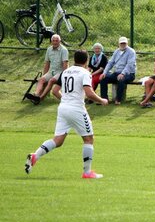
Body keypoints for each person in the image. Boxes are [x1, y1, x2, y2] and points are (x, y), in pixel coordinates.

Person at [24, 50, 108, 179]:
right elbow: (89, 93)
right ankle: (87, 173)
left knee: (58, 140)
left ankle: (35, 155)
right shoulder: (85, 73)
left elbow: (55, 91)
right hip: (76, 109)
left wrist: (66, 100)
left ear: (74, 59)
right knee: (88, 139)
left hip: (63, 108)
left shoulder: (66, 72)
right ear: (86, 61)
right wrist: (102, 100)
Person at [26, 34, 69, 105]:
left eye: (56, 41)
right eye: (53, 41)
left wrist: (64, 76)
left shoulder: (64, 50)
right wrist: (44, 75)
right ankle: (36, 95)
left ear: (60, 41)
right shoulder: (49, 49)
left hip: (60, 72)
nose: (55, 42)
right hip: (51, 71)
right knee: (41, 80)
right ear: (51, 41)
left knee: (51, 80)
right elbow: (47, 64)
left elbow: (65, 64)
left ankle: (41, 98)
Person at [99, 36, 136, 105]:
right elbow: (110, 63)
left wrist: (123, 73)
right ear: (119, 44)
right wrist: (104, 73)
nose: (123, 45)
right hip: (117, 72)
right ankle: (104, 99)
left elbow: (129, 65)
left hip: (129, 74)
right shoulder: (116, 51)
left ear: (127, 43)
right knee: (103, 78)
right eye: (121, 43)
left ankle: (118, 100)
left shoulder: (131, 52)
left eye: (124, 43)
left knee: (121, 79)